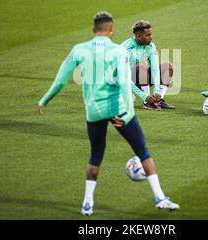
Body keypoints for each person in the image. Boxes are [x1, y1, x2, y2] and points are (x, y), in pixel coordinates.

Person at [38, 12, 180, 216]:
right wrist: (129, 111)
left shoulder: (79, 50)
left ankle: (87, 203)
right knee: (143, 151)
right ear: (111, 30)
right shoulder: (118, 51)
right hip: (118, 110)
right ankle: (160, 197)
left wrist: (44, 100)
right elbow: (123, 83)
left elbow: (61, 80)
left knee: (95, 156)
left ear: (93, 29)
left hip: (94, 112)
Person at [121, 20, 175, 111]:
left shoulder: (150, 46)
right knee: (143, 64)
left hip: (138, 80)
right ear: (138, 36)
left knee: (167, 66)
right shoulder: (125, 49)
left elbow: (154, 69)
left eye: (151, 34)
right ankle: (148, 102)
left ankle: (158, 100)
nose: (151, 38)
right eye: (148, 35)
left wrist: (157, 90)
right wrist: (143, 96)